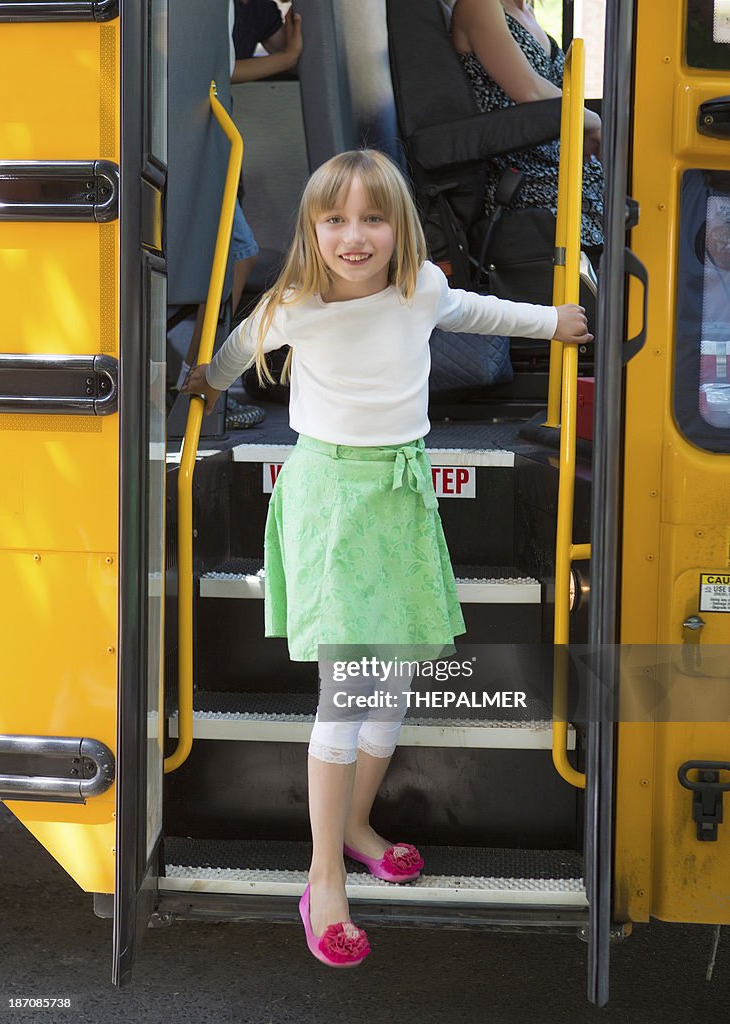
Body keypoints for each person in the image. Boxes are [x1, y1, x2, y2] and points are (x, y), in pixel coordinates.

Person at [182, 148, 592, 967]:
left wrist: (554, 322)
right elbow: (232, 353)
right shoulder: (294, 304)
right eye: (334, 219)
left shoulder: (420, 291)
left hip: (402, 498)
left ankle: (360, 825)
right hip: (331, 499)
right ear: (312, 229)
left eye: (372, 218)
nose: (354, 236)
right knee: (348, 687)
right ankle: (322, 873)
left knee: (394, 676)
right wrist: (201, 384)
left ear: (397, 227)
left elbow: (482, 312)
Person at [179, 1, 303, 390]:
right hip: (186, 135)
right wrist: (284, 60)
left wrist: (292, 49)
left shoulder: (260, 10)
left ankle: (192, 379)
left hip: (216, 138)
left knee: (232, 255)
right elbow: (216, 69)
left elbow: (294, 44)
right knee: (237, 255)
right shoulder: (207, 10)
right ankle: (197, 383)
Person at [451, 0, 604, 254]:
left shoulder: (527, 10)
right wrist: (594, 123)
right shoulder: (479, 5)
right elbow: (529, 91)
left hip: (550, 159)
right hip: (518, 173)